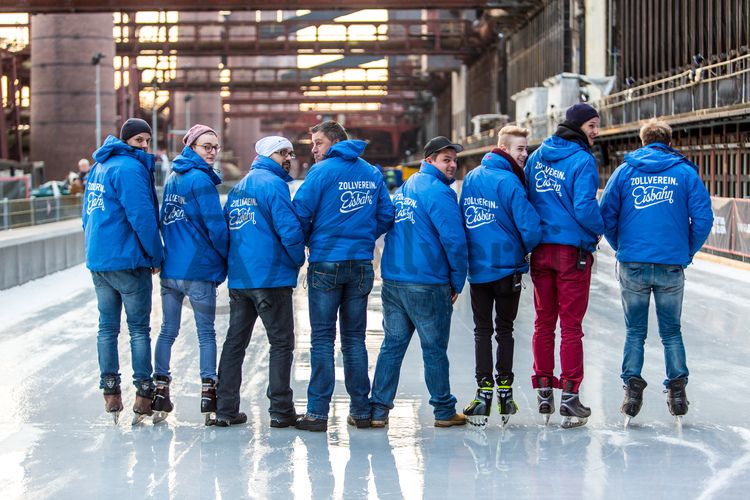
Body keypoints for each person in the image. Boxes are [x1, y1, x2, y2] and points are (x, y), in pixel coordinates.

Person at [599, 118, 713, 425]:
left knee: (635, 331)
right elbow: (703, 218)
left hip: (633, 263)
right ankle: (677, 392)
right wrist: (685, 250)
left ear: (642, 140)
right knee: (671, 332)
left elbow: (606, 214)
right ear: (670, 142)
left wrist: (622, 245)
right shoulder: (685, 173)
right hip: (670, 264)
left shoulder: (625, 172)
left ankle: (631, 392)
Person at [293, 121, 394, 432]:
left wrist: (314, 239)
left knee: (322, 339)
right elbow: (387, 216)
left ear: (335, 142)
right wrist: (363, 236)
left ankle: (317, 413)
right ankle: (361, 410)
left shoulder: (321, 172)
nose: (314, 149)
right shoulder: (371, 172)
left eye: (319, 142)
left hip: (326, 263)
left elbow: (299, 212)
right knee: (354, 340)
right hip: (361, 264)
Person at [370, 136, 468, 428]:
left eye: (453, 160)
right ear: (429, 161)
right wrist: (456, 282)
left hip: (395, 280)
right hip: (426, 281)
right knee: (434, 349)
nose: (451, 165)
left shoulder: (406, 187)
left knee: (392, 345)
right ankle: (443, 410)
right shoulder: (439, 192)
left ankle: (378, 410)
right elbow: (454, 241)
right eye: (445, 159)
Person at [215, 136, 305, 428]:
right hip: (271, 277)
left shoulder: (239, 187)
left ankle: (226, 409)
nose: (288, 157)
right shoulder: (273, 185)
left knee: (234, 344)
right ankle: (281, 410)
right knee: (280, 343)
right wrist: (297, 260)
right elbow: (289, 229)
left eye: (290, 152)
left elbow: (227, 229)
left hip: (242, 279)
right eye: (283, 153)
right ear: (269, 155)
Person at [524, 103, 604, 428]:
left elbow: (528, 200)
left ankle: (544, 393)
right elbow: (585, 207)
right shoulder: (583, 160)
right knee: (570, 327)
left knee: (544, 323)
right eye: (593, 125)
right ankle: (570, 399)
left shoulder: (535, 157)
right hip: (572, 253)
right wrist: (600, 230)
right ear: (577, 126)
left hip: (541, 251)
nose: (596, 132)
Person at [459, 126, 542, 428]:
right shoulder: (511, 182)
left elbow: (464, 219)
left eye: (525, 149)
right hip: (507, 268)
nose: (524, 154)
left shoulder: (471, 179)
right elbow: (531, 229)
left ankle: (483, 393)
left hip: (480, 268)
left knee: (482, 331)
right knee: (503, 330)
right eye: (519, 149)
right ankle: (505, 390)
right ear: (503, 148)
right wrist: (524, 249)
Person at [82, 118, 163, 425]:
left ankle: (111, 391)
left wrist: (92, 248)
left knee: (107, 328)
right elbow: (142, 217)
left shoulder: (99, 167)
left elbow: (86, 215)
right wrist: (155, 254)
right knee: (139, 329)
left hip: (100, 261)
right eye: (138, 140)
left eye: (147, 140)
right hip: (128, 261)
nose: (144, 145)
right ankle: (144, 393)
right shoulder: (130, 170)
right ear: (125, 140)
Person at [151, 124, 229, 425]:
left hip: (172, 271)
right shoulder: (201, 181)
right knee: (206, 333)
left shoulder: (173, 178)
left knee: (167, 331)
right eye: (206, 146)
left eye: (215, 147)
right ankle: (209, 392)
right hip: (198, 270)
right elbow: (217, 227)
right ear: (192, 147)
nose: (212, 152)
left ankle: (161, 388)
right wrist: (226, 259)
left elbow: (163, 220)